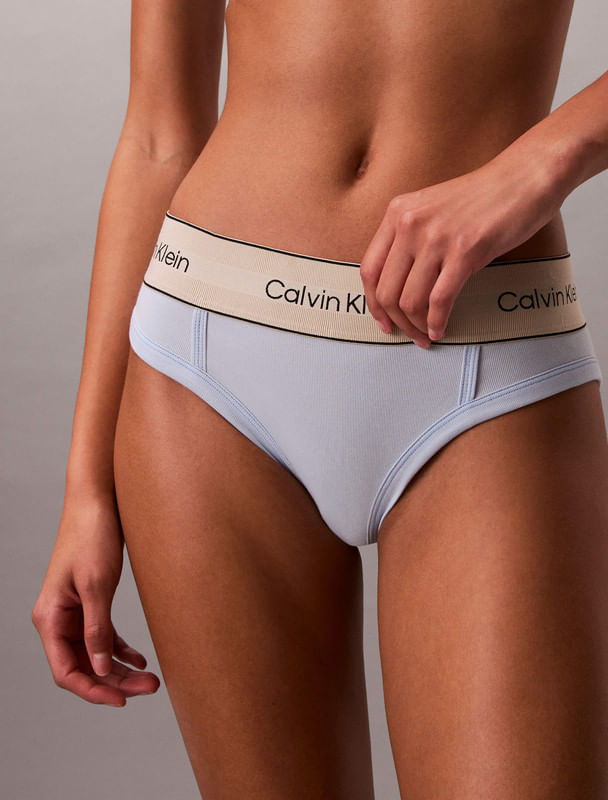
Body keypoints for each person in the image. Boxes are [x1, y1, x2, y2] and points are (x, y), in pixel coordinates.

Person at [32, 0, 608, 796]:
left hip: (484, 353)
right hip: (210, 361)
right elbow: (159, 135)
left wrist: (541, 163)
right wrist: (87, 489)